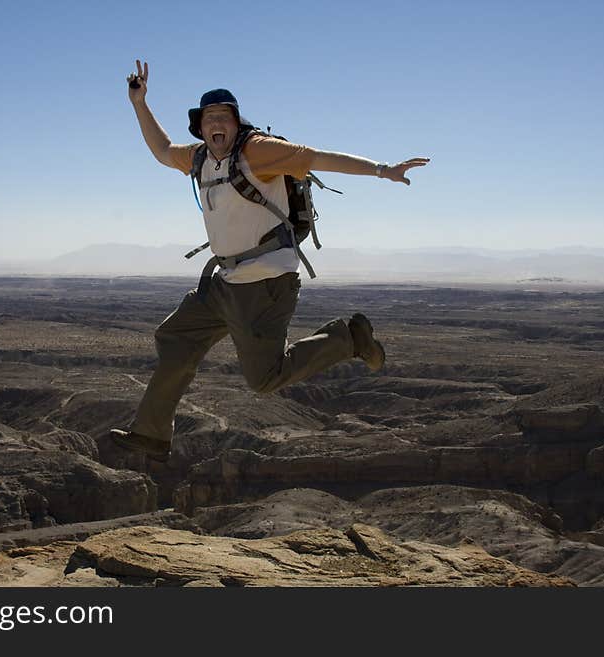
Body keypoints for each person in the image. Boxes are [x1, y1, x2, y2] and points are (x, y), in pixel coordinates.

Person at [111, 59, 429, 462]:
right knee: (174, 337)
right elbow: (160, 150)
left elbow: (317, 158)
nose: (215, 124)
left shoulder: (258, 151)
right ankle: (152, 434)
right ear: (200, 127)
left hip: (264, 284)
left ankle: (349, 338)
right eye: (208, 118)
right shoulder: (198, 159)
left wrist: (383, 170)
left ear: (236, 121)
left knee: (264, 379)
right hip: (225, 283)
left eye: (223, 116)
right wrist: (139, 103)